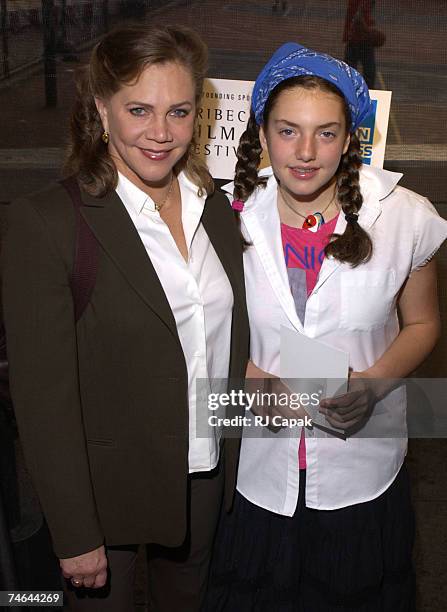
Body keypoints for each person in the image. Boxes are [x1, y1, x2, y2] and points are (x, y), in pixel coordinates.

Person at [1, 24, 249, 611]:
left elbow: (226, 348)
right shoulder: (48, 223)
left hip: (205, 472)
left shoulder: (214, 208)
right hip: (103, 492)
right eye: (139, 109)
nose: (161, 134)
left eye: (179, 111)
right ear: (101, 110)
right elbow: (42, 400)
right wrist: (75, 532)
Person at [204, 42, 447, 611]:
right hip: (255, 473)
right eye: (288, 131)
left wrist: (374, 384)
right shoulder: (222, 217)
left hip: (364, 472)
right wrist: (248, 379)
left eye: (327, 133)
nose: (306, 152)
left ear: (352, 139)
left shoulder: (405, 216)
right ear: (261, 136)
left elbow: (423, 323)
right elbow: (197, 328)